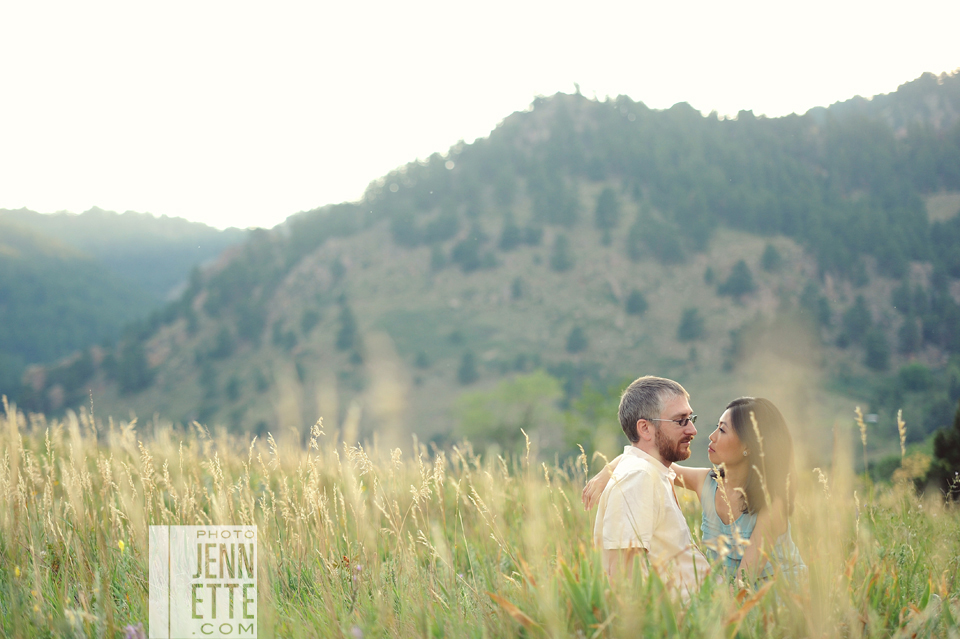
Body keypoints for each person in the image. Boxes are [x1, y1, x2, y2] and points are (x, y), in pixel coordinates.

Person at [585, 396, 805, 584]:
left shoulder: (772, 503)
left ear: (748, 445)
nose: (711, 436)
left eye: (722, 430)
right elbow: (649, 460)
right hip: (727, 595)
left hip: (776, 599)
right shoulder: (706, 482)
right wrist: (607, 472)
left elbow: (745, 578)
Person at [592, 375, 708, 595]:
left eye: (690, 418)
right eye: (680, 420)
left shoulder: (652, 472)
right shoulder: (638, 477)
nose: (692, 430)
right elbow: (624, 577)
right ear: (645, 428)